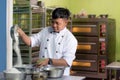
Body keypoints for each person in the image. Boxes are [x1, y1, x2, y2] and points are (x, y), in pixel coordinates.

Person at [17, 7, 78, 76]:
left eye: (57, 23)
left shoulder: (70, 39)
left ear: (65, 22)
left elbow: (66, 62)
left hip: (59, 76)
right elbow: (30, 42)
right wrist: (21, 33)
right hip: (42, 74)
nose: (54, 25)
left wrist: (49, 61)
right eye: (52, 22)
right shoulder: (46, 31)